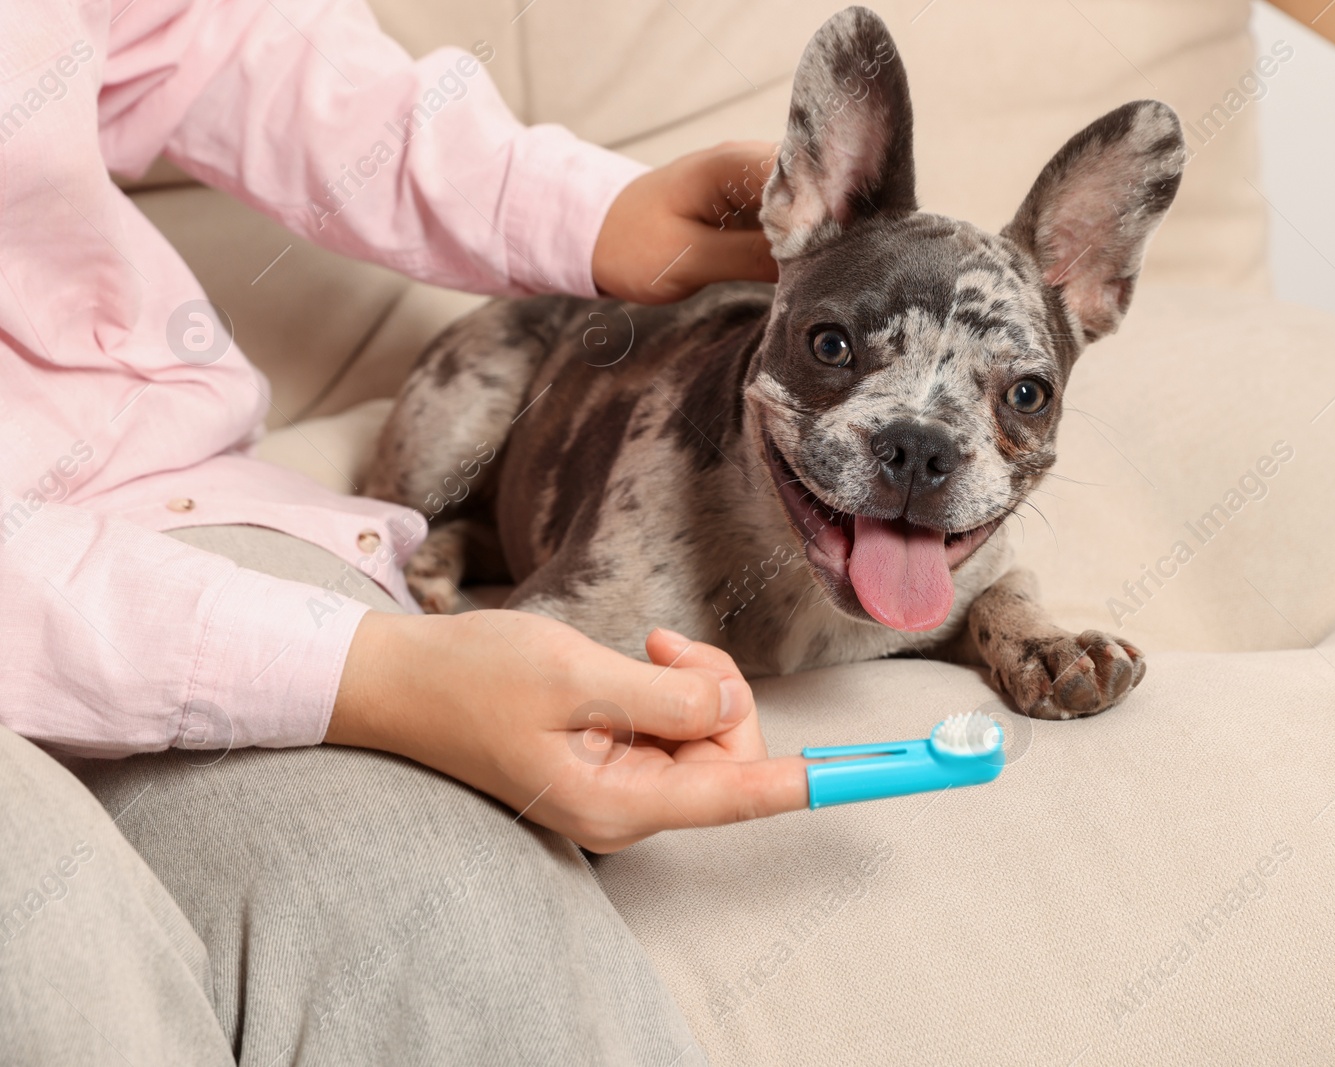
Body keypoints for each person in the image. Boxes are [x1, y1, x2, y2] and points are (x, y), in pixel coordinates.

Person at [1, 0, 806, 1061]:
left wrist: (580, 211)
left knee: (468, 954)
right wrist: (376, 676)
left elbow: (199, 30)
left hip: (140, 492)